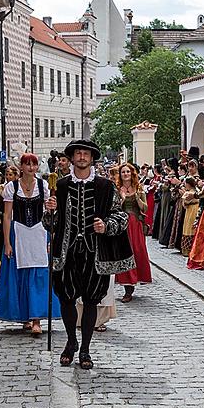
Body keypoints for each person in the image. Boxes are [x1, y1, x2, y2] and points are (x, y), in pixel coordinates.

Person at [43, 139, 132, 370]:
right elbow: (49, 224)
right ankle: (71, 341)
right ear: (72, 158)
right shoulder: (60, 186)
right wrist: (50, 211)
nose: (82, 157)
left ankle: (85, 348)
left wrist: (106, 225)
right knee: (66, 298)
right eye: (78, 154)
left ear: (92, 159)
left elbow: (121, 217)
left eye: (86, 154)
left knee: (92, 300)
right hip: (67, 251)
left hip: (95, 253)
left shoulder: (105, 186)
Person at [0, 154, 59, 333]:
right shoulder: (11, 187)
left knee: (39, 275)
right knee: (21, 275)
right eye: (27, 164)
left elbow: (50, 214)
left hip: (40, 232)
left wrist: (52, 235)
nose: (31, 167)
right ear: (21, 167)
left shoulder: (44, 185)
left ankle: (37, 319)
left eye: (34, 164)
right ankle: (25, 316)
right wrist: (7, 242)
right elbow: (7, 216)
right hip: (20, 232)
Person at [114, 163, 151, 303]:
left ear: (132, 174)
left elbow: (145, 208)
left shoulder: (139, 188)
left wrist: (136, 197)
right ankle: (127, 288)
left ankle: (135, 280)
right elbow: (114, 208)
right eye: (123, 172)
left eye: (128, 172)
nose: (125, 174)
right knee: (124, 253)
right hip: (123, 225)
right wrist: (122, 199)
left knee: (137, 251)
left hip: (135, 225)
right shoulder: (117, 189)